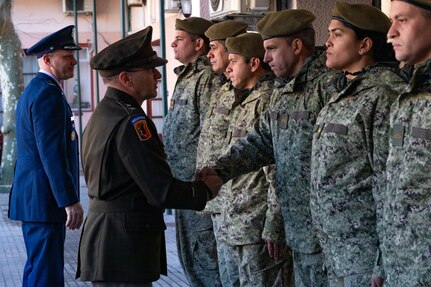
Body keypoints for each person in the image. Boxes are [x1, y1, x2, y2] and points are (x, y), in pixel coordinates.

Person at [75, 26, 222, 286]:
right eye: (148, 69)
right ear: (126, 79)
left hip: (108, 241)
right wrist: (205, 190)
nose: (157, 75)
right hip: (124, 247)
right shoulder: (131, 122)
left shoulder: (102, 115)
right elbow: (160, 190)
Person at [200, 9, 329, 287]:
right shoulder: (286, 93)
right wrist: (219, 171)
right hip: (296, 230)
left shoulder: (328, 87)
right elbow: (260, 142)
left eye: (272, 48)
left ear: (296, 46)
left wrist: (273, 223)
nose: (267, 57)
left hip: (322, 234)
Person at [309, 2, 406, 287]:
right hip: (337, 251)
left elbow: (389, 184)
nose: (326, 42)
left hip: (364, 257)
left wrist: (382, 261)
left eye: (337, 34)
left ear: (364, 45)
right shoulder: (343, 90)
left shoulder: (383, 95)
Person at [8, 25, 84, 286]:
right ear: (48, 59)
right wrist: (69, 200)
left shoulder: (38, 89)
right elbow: (51, 154)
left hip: (37, 200)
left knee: (38, 270)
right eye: (67, 56)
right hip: (44, 201)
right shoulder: (47, 93)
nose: (74, 60)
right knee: (46, 275)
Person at [162, 17, 222, 286]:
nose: (173, 43)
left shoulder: (207, 78)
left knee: (206, 263)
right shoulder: (187, 77)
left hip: (200, 191)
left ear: (199, 44)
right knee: (190, 259)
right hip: (184, 187)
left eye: (179, 38)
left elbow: (213, 136)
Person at [195, 20, 248, 286]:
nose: (209, 54)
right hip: (217, 199)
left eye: (215, 47)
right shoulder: (223, 89)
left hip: (239, 203)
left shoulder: (245, 92)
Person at [383, 0, 431, 286]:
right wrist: (384, 261)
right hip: (401, 267)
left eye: (402, 20)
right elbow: (393, 188)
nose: (390, 32)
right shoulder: (409, 92)